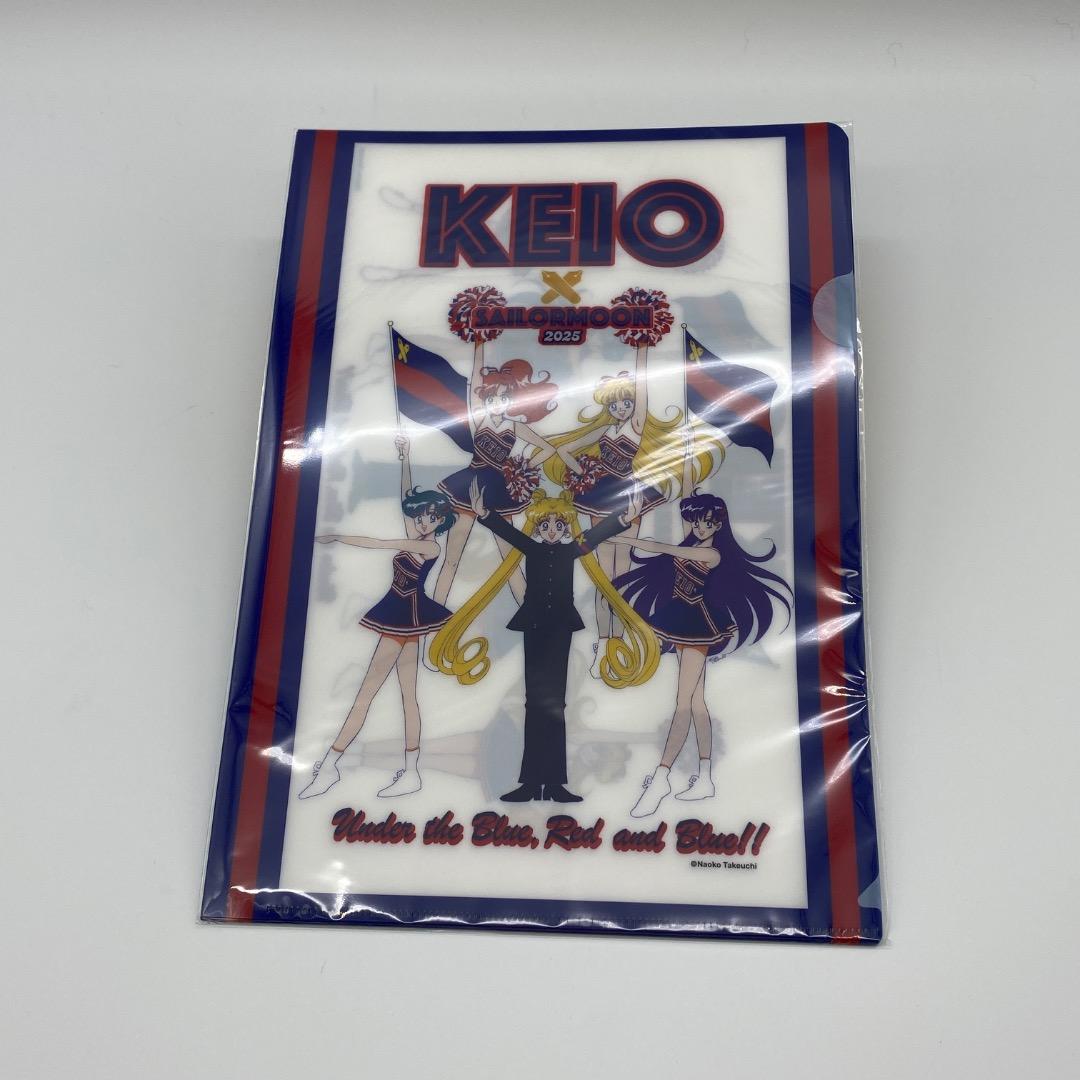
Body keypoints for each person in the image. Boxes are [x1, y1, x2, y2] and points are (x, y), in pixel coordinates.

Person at [430, 481, 654, 803]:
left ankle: (555, 784)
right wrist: (484, 514)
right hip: (533, 627)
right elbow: (509, 534)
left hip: (560, 629)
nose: (551, 530)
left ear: (565, 527)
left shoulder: (571, 549)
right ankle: (531, 784)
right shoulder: (532, 549)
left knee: (556, 707)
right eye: (546, 525)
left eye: (558, 525)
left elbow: (595, 535)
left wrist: (624, 518)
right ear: (537, 526)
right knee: (533, 705)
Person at [612, 439, 792, 817]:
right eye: (697, 520)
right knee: (695, 702)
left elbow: (672, 550)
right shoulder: (693, 538)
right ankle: (706, 777)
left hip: (699, 625)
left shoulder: (711, 552)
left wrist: (626, 537)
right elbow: (679, 519)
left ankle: (661, 777)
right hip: (681, 619)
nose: (701, 526)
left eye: (709, 521)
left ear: (719, 524)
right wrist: (686, 469)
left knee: (682, 703)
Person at [543, 346, 721, 675]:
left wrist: (642, 350)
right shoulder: (605, 429)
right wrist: (582, 471)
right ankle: (604, 643)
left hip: (628, 497)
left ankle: (620, 642)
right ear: (608, 407)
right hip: (599, 496)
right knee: (603, 577)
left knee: (621, 575)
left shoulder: (635, 426)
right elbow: (565, 449)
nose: (621, 408)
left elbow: (642, 392)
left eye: (625, 402)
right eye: (615, 404)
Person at [297, 434, 454, 801]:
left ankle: (331, 765)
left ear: (441, 521)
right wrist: (405, 458)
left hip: (403, 619)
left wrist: (340, 537)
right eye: (420, 515)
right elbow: (404, 500)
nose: (423, 521)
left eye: (431, 517)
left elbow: (382, 544)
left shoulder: (429, 546)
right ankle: (410, 771)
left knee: (369, 694)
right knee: (405, 696)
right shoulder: (417, 533)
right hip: (402, 617)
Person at [432, 350, 580, 610]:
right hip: (470, 484)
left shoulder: (515, 426)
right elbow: (475, 385)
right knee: (452, 557)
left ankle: (529, 614)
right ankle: (436, 613)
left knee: (510, 559)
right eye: (493, 397)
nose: (498, 403)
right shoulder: (480, 417)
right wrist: (479, 345)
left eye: (504, 397)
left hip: (499, 490)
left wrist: (522, 467)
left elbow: (547, 449)